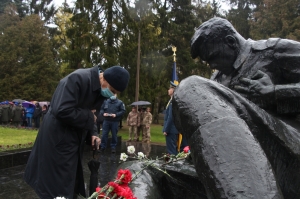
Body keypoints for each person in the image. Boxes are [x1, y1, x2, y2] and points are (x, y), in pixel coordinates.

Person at [171, 17, 300, 198]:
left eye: (214, 57)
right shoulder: (217, 80)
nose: (212, 66)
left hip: (287, 155)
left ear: (231, 42)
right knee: (144, 171)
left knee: (191, 86)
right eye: (208, 62)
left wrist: (275, 93)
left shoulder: (273, 51)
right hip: (241, 169)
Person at [24, 65, 129, 199]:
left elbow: (93, 114)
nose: (113, 95)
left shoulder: (100, 90)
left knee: (69, 181)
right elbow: (61, 109)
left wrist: (93, 133)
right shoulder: (77, 79)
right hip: (57, 138)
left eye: (116, 93)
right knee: (55, 184)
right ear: (104, 78)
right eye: (113, 90)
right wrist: (89, 117)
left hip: (72, 140)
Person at [163, 81, 179, 155]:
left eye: (170, 89)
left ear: (173, 90)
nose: (168, 90)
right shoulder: (171, 101)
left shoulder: (173, 102)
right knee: (172, 149)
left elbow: (170, 117)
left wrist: (166, 129)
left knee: (171, 151)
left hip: (171, 130)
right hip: (173, 130)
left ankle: (172, 165)